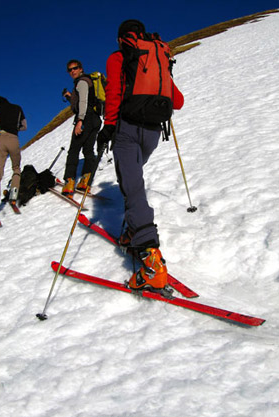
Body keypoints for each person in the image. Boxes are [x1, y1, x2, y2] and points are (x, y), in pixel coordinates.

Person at [96, 19, 184, 292]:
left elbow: (113, 93)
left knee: (133, 186)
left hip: (127, 128)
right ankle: (134, 230)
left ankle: (151, 262)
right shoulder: (156, 55)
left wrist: (108, 126)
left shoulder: (120, 56)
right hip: (153, 132)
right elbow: (178, 101)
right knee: (133, 179)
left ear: (121, 37)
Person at [61, 60, 100, 196]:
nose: (72, 71)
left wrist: (80, 121)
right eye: (70, 70)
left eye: (75, 68)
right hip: (95, 119)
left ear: (81, 68)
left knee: (74, 150)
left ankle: (69, 182)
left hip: (86, 118)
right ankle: (85, 181)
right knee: (88, 149)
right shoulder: (87, 81)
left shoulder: (81, 82)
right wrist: (70, 97)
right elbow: (86, 99)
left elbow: (83, 101)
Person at [0, 96, 27, 213]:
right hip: (14, 139)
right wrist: (15, 127)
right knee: (16, 168)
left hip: (2, 139)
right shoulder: (18, 108)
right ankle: (13, 195)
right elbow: (25, 126)